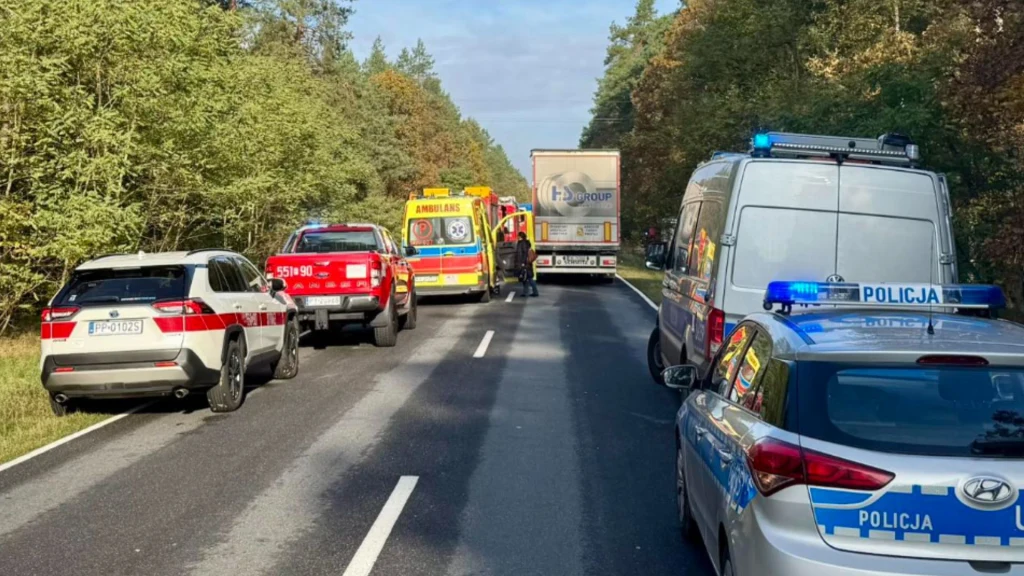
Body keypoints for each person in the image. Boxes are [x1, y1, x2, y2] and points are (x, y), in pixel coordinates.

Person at [515, 231, 539, 297]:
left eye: (518, 236)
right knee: (525, 278)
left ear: (520, 236)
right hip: (525, 263)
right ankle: (526, 292)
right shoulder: (524, 242)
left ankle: (534, 292)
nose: (517, 237)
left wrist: (523, 263)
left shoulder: (523, 243)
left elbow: (525, 254)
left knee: (529, 278)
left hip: (525, 264)